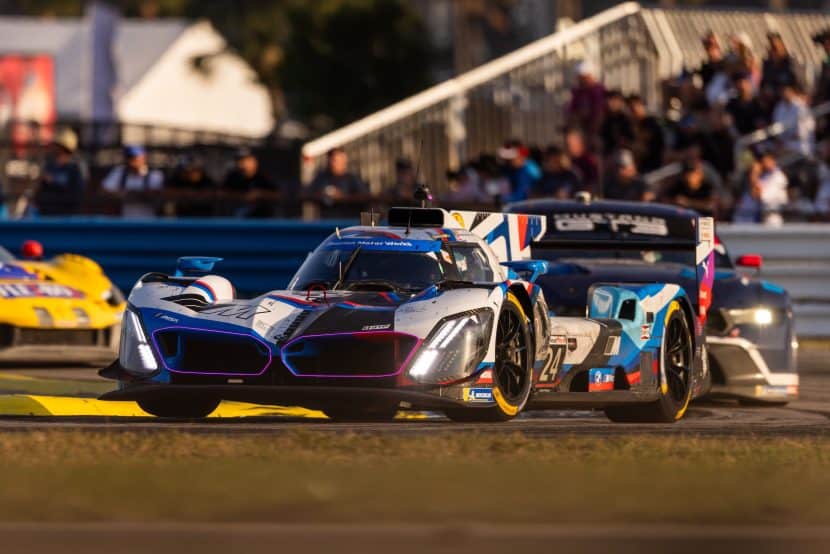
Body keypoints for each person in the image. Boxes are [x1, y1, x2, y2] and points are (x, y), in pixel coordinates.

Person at [101, 145, 164, 218]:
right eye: (129, 158)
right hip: (126, 222)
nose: (132, 161)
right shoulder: (120, 172)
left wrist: (139, 195)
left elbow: (161, 194)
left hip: (149, 222)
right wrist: (122, 195)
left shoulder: (155, 175)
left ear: (143, 157)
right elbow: (103, 191)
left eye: (135, 158)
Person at [34, 128, 85, 216]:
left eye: (56, 145)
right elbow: (41, 191)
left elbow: (76, 195)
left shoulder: (75, 168)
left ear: (63, 147)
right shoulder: (49, 165)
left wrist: (53, 182)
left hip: (67, 217)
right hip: (47, 216)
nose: (53, 148)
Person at [733, 145, 789, 225]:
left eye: (767, 160)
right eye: (764, 160)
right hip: (760, 218)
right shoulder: (764, 176)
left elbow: (759, 195)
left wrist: (754, 176)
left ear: (773, 160)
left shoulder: (779, 177)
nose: (765, 163)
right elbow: (754, 193)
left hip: (773, 217)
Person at [222, 148, 277, 218]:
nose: (242, 163)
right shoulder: (232, 176)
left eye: (246, 160)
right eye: (240, 160)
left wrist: (261, 194)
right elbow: (221, 193)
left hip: (261, 220)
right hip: (235, 218)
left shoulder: (263, 177)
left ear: (254, 161)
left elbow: (277, 195)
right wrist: (242, 196)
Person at [772, 82, 816, 157]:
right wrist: (781, 140)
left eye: (787, 90)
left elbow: (807, 129)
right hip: (784, 144)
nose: (785, 93)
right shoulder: (779, 108)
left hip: (801, 144)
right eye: (782, 91)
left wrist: (789, 139)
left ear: (792, 91)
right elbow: (776, 128)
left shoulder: (800, 106)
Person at [566, 60, 606, 137]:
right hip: (583, 127)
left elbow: (598, 111)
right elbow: (572, 109)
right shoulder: (578, 92)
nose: (580, 80)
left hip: (597, 129)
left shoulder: (598, 91)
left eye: (583, 77)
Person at [628, 94, 665, 173]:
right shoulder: (632, 124)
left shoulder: (650, 123)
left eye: (635, 107)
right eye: (631, 109)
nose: (634, 111)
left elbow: (642, 147)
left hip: (652, 166)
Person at [761, 32, 798, 107]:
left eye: (775, 47)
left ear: (782, 46)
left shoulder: (790, 63)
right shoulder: (767, 65)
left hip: (791, 101)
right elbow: (763, 84)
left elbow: (799, 84)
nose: (773, 50)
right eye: (770, 47)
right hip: (774, 103)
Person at [726, 71, 767, 136]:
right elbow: (729, 123)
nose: (742, 87)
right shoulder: (732, 104)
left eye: (744, 83)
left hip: (758, 137)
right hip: (741, 139)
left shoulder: (758, 102)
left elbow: (762, 125)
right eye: (738, 84)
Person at [599, 90, 634, 157]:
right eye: (609, 100)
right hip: (608, 154)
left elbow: (632, 138)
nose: (611, 103)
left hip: (623, 153)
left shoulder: (626, 119)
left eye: (614, 100)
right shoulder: (605, 118)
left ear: (620, 102)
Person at [564, 128, 599, 193]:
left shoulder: (589, 161)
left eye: (569, 144)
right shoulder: (568, 161)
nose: (567, 147)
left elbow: (593, 184)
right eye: (566, 144)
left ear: (579, 144)